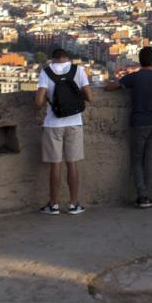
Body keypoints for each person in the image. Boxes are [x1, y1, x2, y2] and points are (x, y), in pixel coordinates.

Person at [106, 46, 152, 208]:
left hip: (139, 122)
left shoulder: (135, 77)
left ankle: (142, 196)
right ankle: (146, 194)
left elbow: (112, 86)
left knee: (137, 159)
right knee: (150, 160)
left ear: (139, 60)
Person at [36, 49, 93, 215]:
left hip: (53, 124)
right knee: (72, 164)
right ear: (68, 57)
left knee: (56, 165)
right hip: (74, 122)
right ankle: (74, 204)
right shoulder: (78, 70)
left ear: (53, 59)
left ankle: (53, 205)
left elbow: (38, 102)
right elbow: (90, 97)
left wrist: (49, 96)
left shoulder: (45, 72)